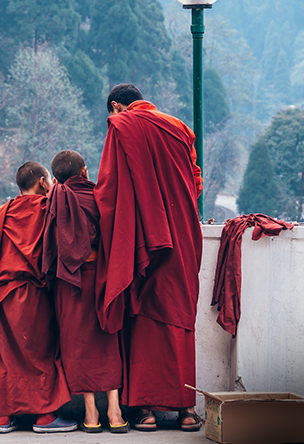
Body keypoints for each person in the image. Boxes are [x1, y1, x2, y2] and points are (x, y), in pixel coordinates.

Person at [94, 84, 204, 432]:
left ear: (116, 106)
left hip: (144, 236)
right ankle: (186, 410)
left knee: (142, 317)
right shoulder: (180, 128)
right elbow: (195, 183)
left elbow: (108, 187)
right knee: (178, 315)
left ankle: (145, 411)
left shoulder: (122, 126)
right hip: (183, 236)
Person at [0, 161, 77, 434]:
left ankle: (3, 417)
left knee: (4, 356)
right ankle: (44, 417)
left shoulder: (0, 214)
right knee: (40, 353)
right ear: (43, 183)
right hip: (33, 293)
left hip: (0, 293)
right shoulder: (47, 210)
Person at [42, 150, 127, 434]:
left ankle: (91, 413)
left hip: (70, 282)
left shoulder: (55, 198)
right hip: (103, 278)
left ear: (55, 179)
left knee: (76, 342)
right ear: (85, 172)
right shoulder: (101, 196)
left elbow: (50, 244)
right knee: (107, 337)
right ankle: (114, 411)